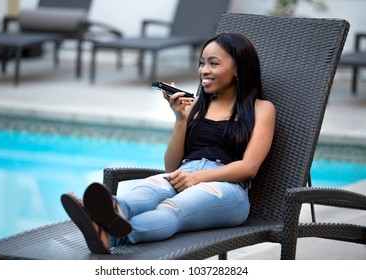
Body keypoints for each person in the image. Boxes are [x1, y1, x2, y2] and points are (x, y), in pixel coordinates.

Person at [61, 32, 276, 254]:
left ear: (238, 68)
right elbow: (172, 167)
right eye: (202, 63)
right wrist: (181, 119)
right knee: (144, 191)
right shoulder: (195, 106)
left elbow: (249, 167)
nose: (204, 70)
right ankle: (111, 210)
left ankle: (111, 235)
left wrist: (197, 177)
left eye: (213, 63)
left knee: (172, 209)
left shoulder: (261, 109)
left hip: (227, 189)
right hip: (183, 174)